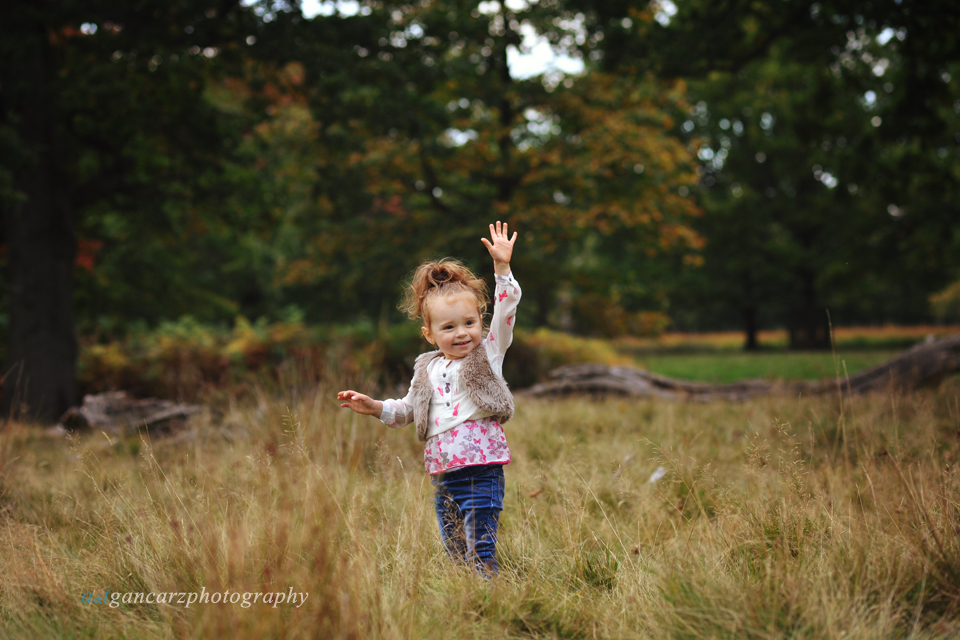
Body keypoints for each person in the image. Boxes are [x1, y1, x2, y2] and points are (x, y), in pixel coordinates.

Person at [337, 221, 520, 575]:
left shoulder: (490, 352)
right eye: (449, 327)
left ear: (481, 322)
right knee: (453, 550)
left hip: (482, 471)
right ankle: (463, 600)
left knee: (479, 547)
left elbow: (507, 308)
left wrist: (502, 268)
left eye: (469, 323)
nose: (462, 333)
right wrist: (374, 406)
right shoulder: (427, 369)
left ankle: (490, 600)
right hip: (442, 472)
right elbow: (407, 409)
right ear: (429, 334)